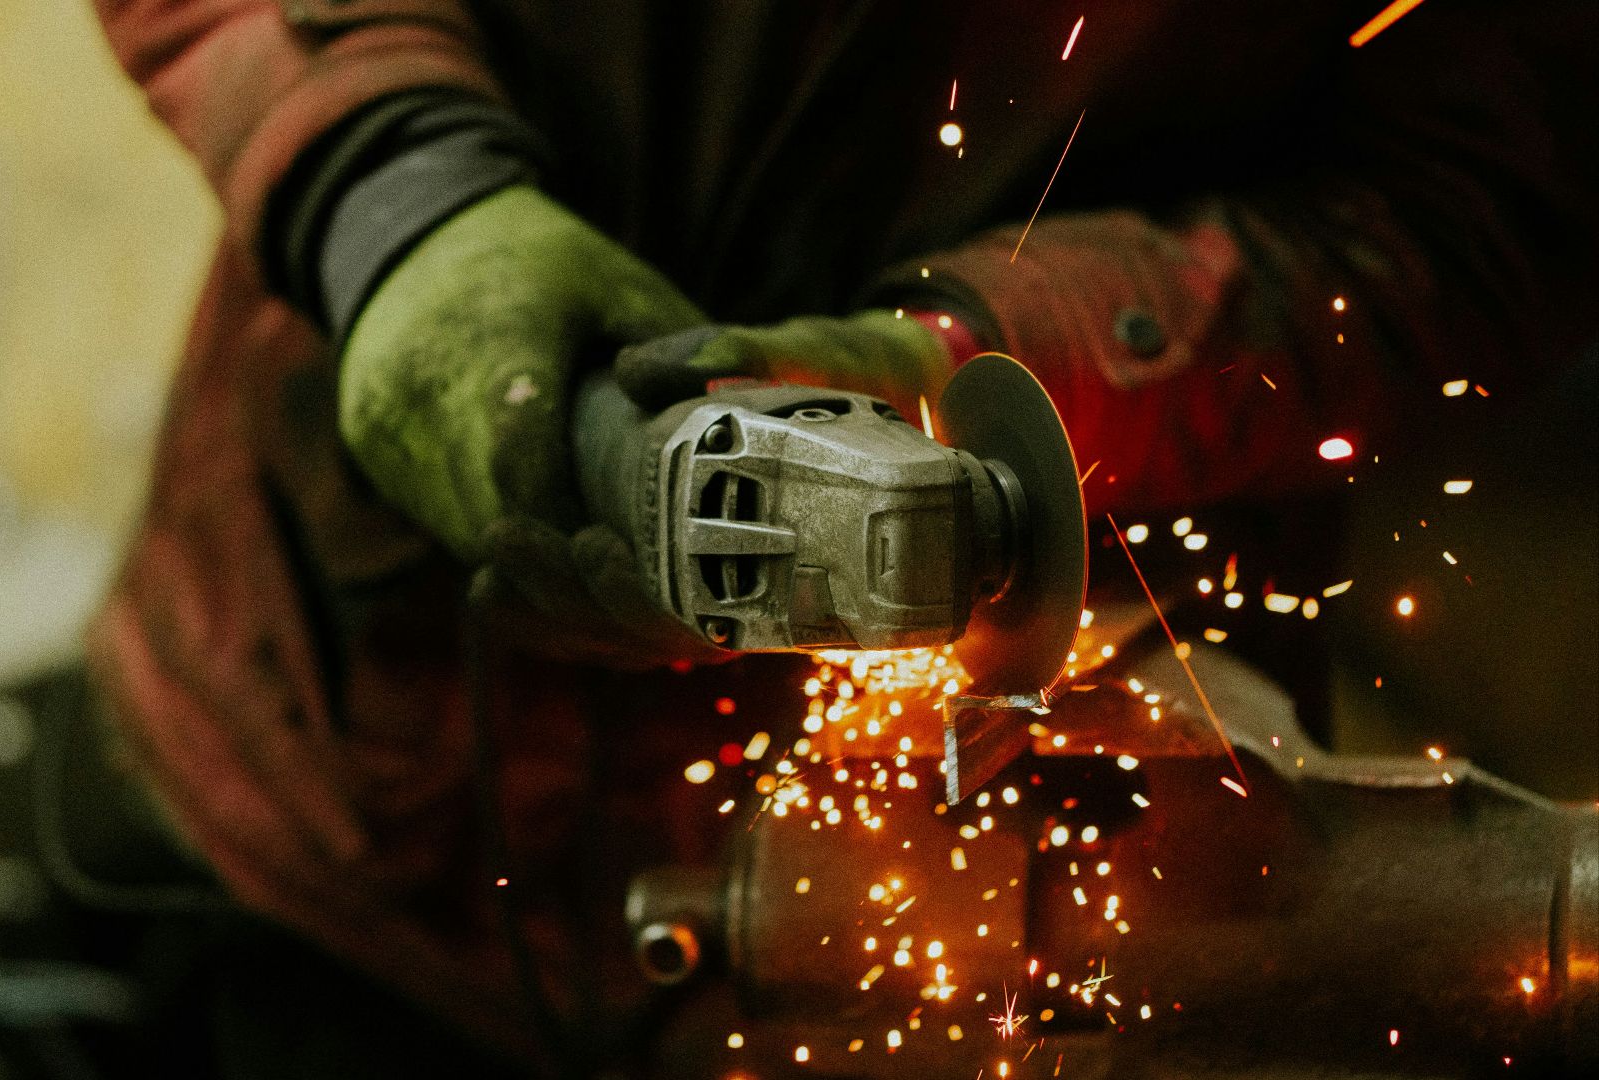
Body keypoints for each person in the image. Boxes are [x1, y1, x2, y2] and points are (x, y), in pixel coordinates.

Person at [86, 1, 1599, 1075]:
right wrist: (396, 195)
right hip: (349, 785)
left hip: (1055, 888)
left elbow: (1496, 198)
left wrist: (1007, 353)